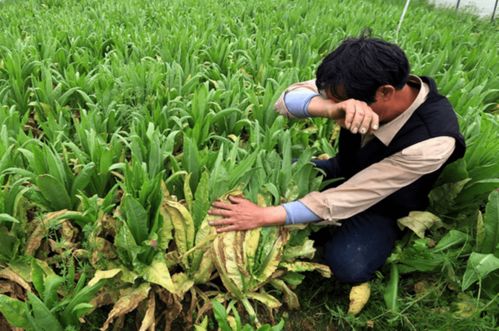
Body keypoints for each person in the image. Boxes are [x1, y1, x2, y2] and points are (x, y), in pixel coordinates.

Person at [208, 36, 466, 311]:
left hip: (384, 203)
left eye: (341, 100)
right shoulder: (358, 77)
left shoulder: (433, 140)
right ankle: (313, 221)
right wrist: (329, 107)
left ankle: (341, 231)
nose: (339, 105)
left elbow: (352, 195)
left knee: (348, 264)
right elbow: (284, 102)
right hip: (345, 168)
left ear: (385, 92)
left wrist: (263, 216)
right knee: (262, 168)